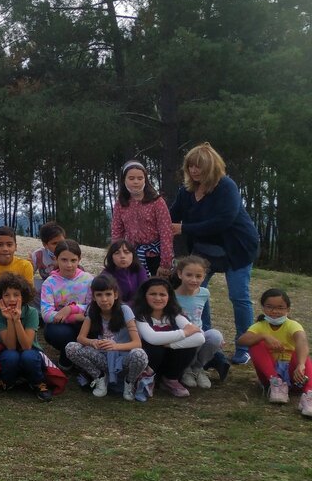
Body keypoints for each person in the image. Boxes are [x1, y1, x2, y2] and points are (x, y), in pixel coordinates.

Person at [169, 142, 260, 364]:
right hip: (204, 250)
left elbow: (223, 220)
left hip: (237, 248)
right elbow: (171, 216)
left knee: (238, 296)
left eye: (198, 166)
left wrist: (184, 228)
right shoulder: (186, 191)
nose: (194, 171)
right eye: (190, 166)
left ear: (211, 167)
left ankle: (244, 347)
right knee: (195, 291)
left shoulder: (226, 186)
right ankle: (206, 338)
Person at [64, 274, 148, 401]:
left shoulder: (125, 310)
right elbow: (80, 338)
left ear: (115, 295)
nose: (104, 299)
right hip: (103, 357)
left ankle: (129, 382)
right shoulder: (92, 311)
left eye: (108, 294)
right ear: (93, 297)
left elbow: (137, 343)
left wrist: (115, 346)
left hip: (123, 358)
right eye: (99, 295)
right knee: (71, 348)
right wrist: (92, 342)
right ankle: (100, 377)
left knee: (140, 354)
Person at [236, 289, 312, 417]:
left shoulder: (292, 325)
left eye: (280, 308)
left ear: (288, 309)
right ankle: (276, 384)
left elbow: (302, 341)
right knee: (256, 343)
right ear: (263, 308)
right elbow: (242, 340)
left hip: (294, 374)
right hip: (270, 375)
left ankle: (309, 394)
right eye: (270, 307)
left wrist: (301, 364)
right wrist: (264, 336)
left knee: (302, 356)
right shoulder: (260, 326)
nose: (275, 311)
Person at [0, 272, 54, 402]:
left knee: (28, 356)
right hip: (9, 352)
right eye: (6, 295)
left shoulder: (31, 312)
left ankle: (38, 383)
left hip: (30, 351)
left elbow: (27, 346)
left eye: (16, 295)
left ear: (23, 296)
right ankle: (6, 381)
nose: (11, 299)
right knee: (11, 356)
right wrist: (10, 320)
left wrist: (17, 320)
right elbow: (10, 346)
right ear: (0, 297)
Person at [132, 278, 205, 398]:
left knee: (188, 347)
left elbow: (199, 338)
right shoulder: (140, 316)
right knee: (155, 347)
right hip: (150, 361)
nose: (158, 298)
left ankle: (170, 380)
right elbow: (152, 338)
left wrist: (169, 344)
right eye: (153, 294)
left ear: (169, 297)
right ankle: (148, 379)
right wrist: (184, 332)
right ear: (144, 296)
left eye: (162, 294)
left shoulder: (175, 315)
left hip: (171, 360)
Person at [111, 159, 175, 278]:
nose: (136, 182)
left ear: (145, 180)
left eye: (140, 178)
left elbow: (166, 232)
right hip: (133, 254)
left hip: (156, 255)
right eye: (131, 178)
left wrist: (165, 263)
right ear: (124, 180)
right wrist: (116, 257)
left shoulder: (157, 202)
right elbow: (117, 232)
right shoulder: (120, 204)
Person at [172, 255, 227, 389]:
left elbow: (203, 316)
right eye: (189, 275)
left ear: (204, 277)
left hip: (199, 333)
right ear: (180, 274)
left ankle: (198, 368)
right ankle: (186, 369)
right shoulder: (172, 296)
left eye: (198, 276)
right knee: (196, 336)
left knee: (216, 336)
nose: (193, 280)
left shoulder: (204, 293)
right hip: (182, 337)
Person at [40, 240, 94, 369]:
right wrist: (73, 317)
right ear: (56, 259)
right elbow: (46, 313)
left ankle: (87, 359)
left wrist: (71, 309)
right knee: (61, 334)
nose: (69, 265)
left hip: (84, 322)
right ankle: (67, 359)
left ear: (79, 259)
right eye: (64, 260)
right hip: (61, 325)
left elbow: (93, 307)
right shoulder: (49, 283)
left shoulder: (88, 279)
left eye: (73, 260)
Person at [99, 239, 146, 305]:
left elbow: (144, 292)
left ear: (133, 255)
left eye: (126, 252)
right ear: (111, 257)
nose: (122, 256)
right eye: (117, 253)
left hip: (139, 307)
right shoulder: (106, 275)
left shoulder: (139, 270)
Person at [29, 222, 65, 306]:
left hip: (65, 287)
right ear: (45, 244)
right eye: (54, 243)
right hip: (47, 286)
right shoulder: (38, 255)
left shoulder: (68, 253)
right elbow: (28, 276)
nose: (59, 246)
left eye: (62, 242)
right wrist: (28, 267)